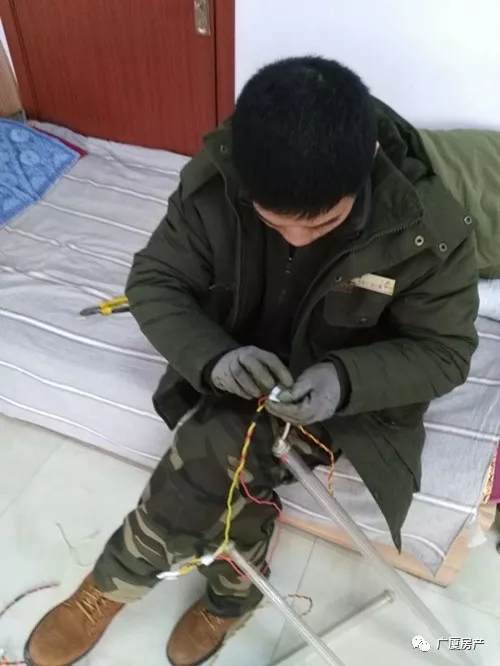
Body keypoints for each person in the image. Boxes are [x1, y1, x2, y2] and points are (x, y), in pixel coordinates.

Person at [25, 57, 479, 666]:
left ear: (367, 163)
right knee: (230, 452)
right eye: (274, 221)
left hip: (345, 402)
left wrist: (345, 380)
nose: (297, 238)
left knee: (215, 446)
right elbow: (155, 281)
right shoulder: (219, 180)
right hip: (239, 358)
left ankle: (112, 585)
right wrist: (213, 357)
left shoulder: (426, 229)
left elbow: (445, 351)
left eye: (324, 222)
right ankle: (234, 597)